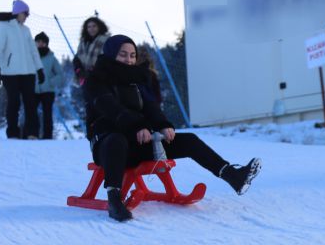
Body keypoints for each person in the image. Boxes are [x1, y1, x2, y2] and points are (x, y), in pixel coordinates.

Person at [84, 35, 261, 222]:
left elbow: (151, 108)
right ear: (111, 54)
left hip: (138, 143)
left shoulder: (137, 81)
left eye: (132, 55)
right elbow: (111, 108)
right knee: (116, 140)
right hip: (107, 145)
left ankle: (233, 176)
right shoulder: (95, 81)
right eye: (123, 55)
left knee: (189, 140)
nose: (129, 60)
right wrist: (135, 126)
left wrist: (163, 125)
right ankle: (114, 200)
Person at [0, 0, 43, 139]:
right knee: (14, 102)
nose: (27, 16)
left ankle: (31, 133)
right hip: (10, 73)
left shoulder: (26, 30)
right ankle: (13, 133)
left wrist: (39, 69)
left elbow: (33, 51)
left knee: (30, 103)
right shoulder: (3, 27)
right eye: (26, 13)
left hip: (28, 73)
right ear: (19, 12)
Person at [34, 32, 65, 140]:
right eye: (38, 42)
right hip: (33, 90)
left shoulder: (51, 58)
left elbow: (60, 74)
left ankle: (47, 136)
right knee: (31, 113)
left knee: (47, 114)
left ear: (46, 43)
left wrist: (50, 82)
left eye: (43, 42)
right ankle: (33, 135)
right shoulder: (30, 56)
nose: (40, 44)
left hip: (48, 91)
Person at [73, 16, 109, 85]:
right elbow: (77, 58)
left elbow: (106, 60)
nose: (91, 29)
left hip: (100, 80)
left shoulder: (106, 41)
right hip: (84, 80)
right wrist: (78, 70)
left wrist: (92, 72)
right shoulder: (83, 42)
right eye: (89, 27)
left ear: (99, 27)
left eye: (94, 26)